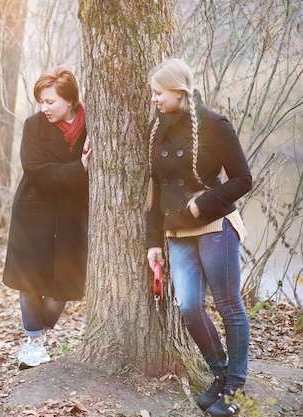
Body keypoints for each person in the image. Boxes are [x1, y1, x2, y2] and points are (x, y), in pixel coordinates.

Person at [145, 58, 252, 417]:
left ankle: (235, 388)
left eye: (159, 93)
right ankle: (220, 375)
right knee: (189, 307)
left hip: (215, 226)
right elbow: (155, 190)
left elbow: (242, 179)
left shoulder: (215, 124)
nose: (155, 99)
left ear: (178, 91)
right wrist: (153, 242)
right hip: (176, 231)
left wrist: (202, 203)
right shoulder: (157, 127)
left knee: (228, 304)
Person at [2, 67, 92, 370]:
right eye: (41, 101)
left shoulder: (94, 126)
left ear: (70, 100)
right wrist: (79, 168)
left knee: (62, 289)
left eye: (51, 101)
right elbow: (36, 171)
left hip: (72, 215)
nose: (45, 108)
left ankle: (43, 331)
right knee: (30, 282)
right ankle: (34, 342)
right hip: (34, 213)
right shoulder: (34, 126)